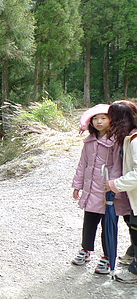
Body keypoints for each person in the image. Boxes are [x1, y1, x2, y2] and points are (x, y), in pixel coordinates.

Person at [70, 104, 131, 275]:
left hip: (107, 192)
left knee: (108, 225)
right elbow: (82, 165)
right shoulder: (89, 141)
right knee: (89, 222)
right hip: (90, 191)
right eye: (95, 119)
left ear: (111, 120)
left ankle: (106, 256)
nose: (99, 121)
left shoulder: (115, 142)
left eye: (103, 118)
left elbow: (117, 168)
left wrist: (112, 190)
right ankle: (86, 250)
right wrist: (77, 185)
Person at [104, 100, 137, 283]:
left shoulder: (135, 140)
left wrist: (115, 184)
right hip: (133, 196)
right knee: (133, 225)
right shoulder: (127, 137)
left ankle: (135, 272)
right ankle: (132, 255)